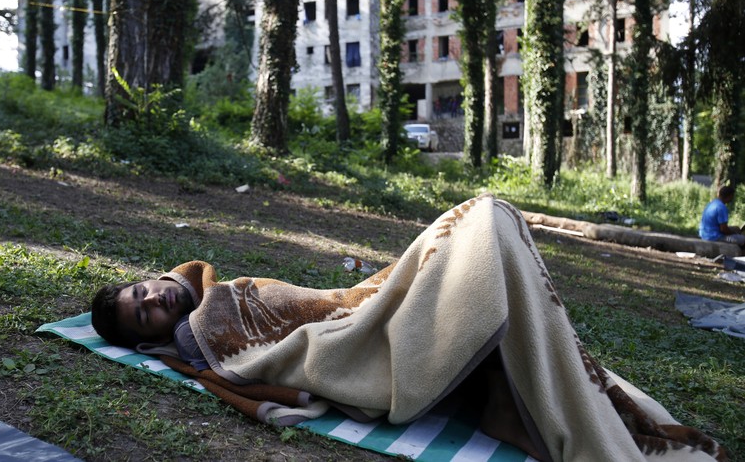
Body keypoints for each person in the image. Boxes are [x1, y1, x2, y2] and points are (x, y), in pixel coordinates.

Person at [90, 195, 725, 462]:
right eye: (143, 313)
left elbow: (329, 301)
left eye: (141, 290)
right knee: (485, 222)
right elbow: (270, 361)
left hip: (370, 313)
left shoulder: (219, 289)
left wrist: (384, 291)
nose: (153, 301)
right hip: (374, 349)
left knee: (487, 227)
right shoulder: (199, 329)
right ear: (149, 335)